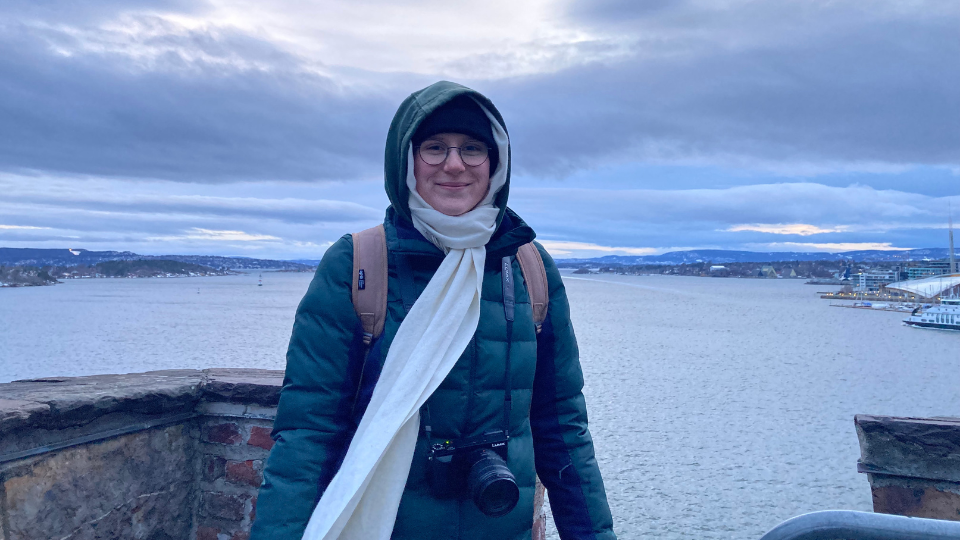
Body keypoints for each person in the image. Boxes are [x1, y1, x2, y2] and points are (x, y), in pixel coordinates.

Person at [251, 81, 616, 540]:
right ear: (405, 160)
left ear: (496, 162)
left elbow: (563, 432)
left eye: (472, 148)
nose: (454, 164)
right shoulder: (358, 264)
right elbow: (308, 433)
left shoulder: (530, 268)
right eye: (435, 147)